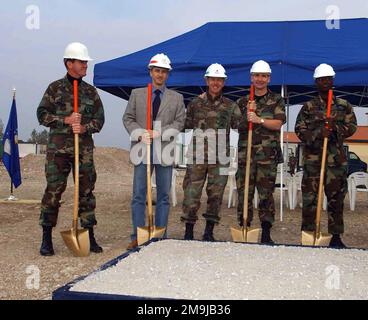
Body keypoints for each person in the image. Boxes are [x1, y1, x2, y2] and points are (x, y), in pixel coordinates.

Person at [37, 42, 105, 256]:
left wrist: (85, 127)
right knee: (54, 192)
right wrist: (64, 120)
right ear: (69, 64)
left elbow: (100, 120)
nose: (85, 65)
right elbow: (41, 115)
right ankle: (46, 238)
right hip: (58, 152)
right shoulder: (54, 88)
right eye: (82, 62)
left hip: (83, 151)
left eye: (85, 62)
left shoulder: (90, 92)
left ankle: (89, 236)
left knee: (86, 192)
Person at [123, 53, 185, 250]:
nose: (160, 75)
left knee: (164, 195)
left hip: (164, 150)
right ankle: (138, 234)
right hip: (142, 149)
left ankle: (161, 234)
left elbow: (180, 122)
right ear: (151, 72)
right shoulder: (137, 94)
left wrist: (159, 133)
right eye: (157, 70)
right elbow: (128, 118)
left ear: (168, 75)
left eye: (164, 72)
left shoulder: (176, 98)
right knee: (139, 194)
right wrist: (140, 133)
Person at [295, 63, 357, 248]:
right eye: (321, 79)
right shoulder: (308, 106)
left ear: (332, 81)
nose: (325, 82)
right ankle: (309, 233)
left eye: (328, 79)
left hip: (335, 161)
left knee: (336, 199)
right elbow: (300, 130)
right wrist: (318, 134)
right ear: (316, 82)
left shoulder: (343, 105)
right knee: (310, 199)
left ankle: (336, 236)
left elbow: (352, 126)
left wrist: (334, 129)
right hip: (313, 161)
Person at [181, 63, 242, 241]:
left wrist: (252, 114)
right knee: (192, 193)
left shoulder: (231, 106)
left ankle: (209, 231)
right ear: (207, 80)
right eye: (213, 79)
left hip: (221, 157)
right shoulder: (195, 103)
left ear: (223, 83)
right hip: (197, 154)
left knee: (216, 194)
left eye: (219, 80)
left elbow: (240, 126)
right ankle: (189, 230)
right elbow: (185, 124)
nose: (216, 83)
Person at [236, 60, 286, 244]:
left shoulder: (276, 100)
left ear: (269, 78)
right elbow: (235, 125)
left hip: (267, 156)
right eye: (257, 75)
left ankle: (266, 232)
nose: (260, 79)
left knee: (266, 194)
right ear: (251, 77)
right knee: (244, 193)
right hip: (246, 156)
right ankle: (244, 227)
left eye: (263, 76)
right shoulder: (243, 101)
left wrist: (259, 119)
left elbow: (278, 123)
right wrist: (247, 115)